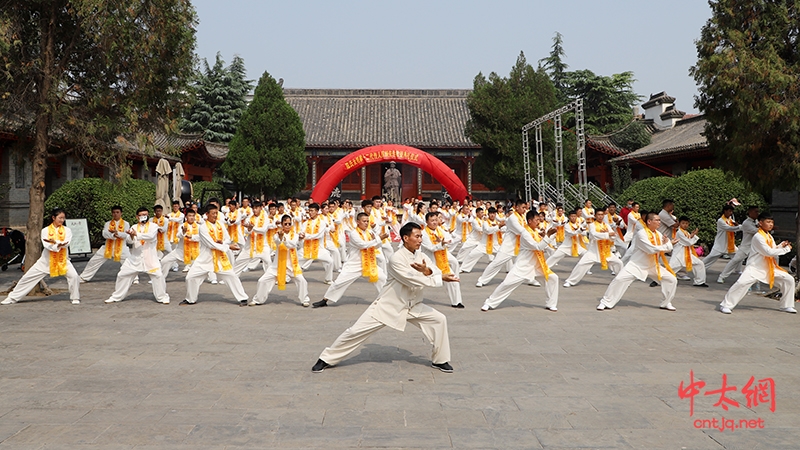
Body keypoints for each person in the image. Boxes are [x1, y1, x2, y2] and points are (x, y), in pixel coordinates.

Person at [311, 222, 459, 374]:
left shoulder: (422, 256)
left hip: (413, 305)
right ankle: (326, 359)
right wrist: (438, 277)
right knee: (355, 332)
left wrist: (428, 270)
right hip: (388, 306)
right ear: (406, 238)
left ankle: (440, 360)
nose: (420, 240)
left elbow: (432, 270)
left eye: (421, 236)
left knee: (439, 319)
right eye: (417, 236)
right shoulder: (396, 258)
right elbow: (412, 279)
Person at [596, 212, 678, 311]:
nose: (659, 222)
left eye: (659, 220)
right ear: (649, 221)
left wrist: (668, 243)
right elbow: (651, 249)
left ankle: (666, 303)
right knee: (619, 280)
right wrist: (668, 244)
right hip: (636, 265)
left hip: (652, 265)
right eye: (657, 220)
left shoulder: (658, 234)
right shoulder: (642, 233)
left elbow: (664, 249)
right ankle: (605, 302)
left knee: (671, 280)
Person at [480, 210, 559, 312]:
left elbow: (543, 245)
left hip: (536, 265)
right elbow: (538, 247)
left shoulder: (535, 231)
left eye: (539, 220)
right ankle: (489, 302)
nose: (538, 222)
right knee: (507, 284)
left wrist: (545, 236)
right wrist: (547, 237)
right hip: (523, 265)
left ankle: (551, 304)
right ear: (529, 221)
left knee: (553, 278)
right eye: (536, 220)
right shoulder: (525, 233)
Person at [720, 213, 796, 314]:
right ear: (760, 223)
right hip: (755, 267)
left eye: (772, 222)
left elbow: (772, 249)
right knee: (741, 283)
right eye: (768, 222)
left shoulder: (768, 236)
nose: (770, 224)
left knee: (789, 280)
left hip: (768, 268)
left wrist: (781, 246)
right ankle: (726, 305)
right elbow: (768, 252)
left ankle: (786, 305)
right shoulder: (758, 236)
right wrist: (786, 249)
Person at [2, 208, 80, 305]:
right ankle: (12, 298)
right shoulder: (45, 230)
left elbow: (66, 243)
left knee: (74, 276)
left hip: (62, 260)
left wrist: (57, 243)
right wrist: (58, 244)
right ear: (53, 218)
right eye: (60, 218)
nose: (62, 220)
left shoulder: (67, 230)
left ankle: (75, 297)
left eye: (63, 218)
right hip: (46, 261)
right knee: (28, 278)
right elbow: (47, 245)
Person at [312, 212, 388, 308]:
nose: (366, 223)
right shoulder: (354, 233)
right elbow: (363, 245)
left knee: (382, 278)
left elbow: (376, 246)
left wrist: (378, 240)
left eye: (367, 221)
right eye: (364, 221)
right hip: (354, 264)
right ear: (357, 222)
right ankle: (325, 300)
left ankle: (386, 300)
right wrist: (378, 239)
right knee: (339, 282)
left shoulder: (370, 232)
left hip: (369, 263)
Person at [181, 203, 249, 306]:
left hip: (219, 258)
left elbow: (227, 238)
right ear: (207, 214)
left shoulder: (220, 225)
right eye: (213, 213)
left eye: (216, 213)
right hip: (205, 258)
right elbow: (210, 244)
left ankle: (243, 298)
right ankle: (190, 299)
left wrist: (223, 242)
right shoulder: (203, 228)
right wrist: (228, 247)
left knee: (231, 276)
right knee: (190, 277)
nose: (215, 215)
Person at [104, 207, 170, 304]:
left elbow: (151, 237)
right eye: (141, 215)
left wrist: (136, 234)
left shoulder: (153, 226)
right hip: (135, 258)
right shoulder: (134, 227)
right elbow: (130, 241)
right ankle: (116, 296)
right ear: (137, 217)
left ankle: (162, 297)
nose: (144, 217)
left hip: (150, 258)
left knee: (158, 276)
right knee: (122, 274)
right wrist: (131, 235)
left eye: (146, 215)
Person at [250, 214, 309, 307]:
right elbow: (278, 242)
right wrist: (281, 237)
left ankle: (304, 299)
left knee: (302, 281)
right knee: (262, 281)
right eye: (285, 224)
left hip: (291, 265)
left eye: (289, 223)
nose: (288, 226)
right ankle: (258, 299)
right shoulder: (276, 235)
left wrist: (289, 239)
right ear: (281, 224)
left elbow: (292, 244)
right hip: (277, 265)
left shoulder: (295, 235)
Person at [476, 199, 531, 287]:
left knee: (527, 262)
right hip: (509, 246)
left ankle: (530, 279)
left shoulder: (523, 216)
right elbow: (521, 231)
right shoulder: (513, 218)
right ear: (517, 207)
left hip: (521, 245)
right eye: (523, 207)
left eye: (525, 207)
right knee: (496, 263)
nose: (525, 209)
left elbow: (528, 228)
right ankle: (482, 280)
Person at [563, 210, 623, 287]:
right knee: (581, 264)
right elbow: (595, 235)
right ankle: (570, 281)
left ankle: (621, 281)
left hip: (606, 252)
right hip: (593, 251)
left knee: (619, 263)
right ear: (595, 216)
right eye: (598, 215)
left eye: (602, 215)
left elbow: (613, 236)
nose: (600, 216)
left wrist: (610, 236)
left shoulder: (607, 225)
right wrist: (607, 234)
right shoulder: (592, 225)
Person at [421, 212, 464, 308]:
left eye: (436, 220)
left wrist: (443, 243)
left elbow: (449, 241)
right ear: (427, 222)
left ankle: (457, 302)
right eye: (432, 221)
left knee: (452, 277)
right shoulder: (423, 234)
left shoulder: (440, 230)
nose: (434, 222)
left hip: (442, 258)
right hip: (430, 261)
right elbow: (431, 248)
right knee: (419, 283)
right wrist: (442, 243)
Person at [79, 205, 131, 282]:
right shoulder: (108, 224)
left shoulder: (126, 224)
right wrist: (113, 235)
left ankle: (134, 278)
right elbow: (104, 234)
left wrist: (118, 233)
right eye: (114, 212)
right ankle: (84, 277)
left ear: (121, 213)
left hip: (121, 247)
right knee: (94, 260)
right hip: (108, 247)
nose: (115, 214)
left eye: (117, 212)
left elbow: (126, 235)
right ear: (111, 213)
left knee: (129, 262)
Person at [718, 206, 760, 283]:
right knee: (735, 260)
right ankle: (722, 276)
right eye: (755, 212)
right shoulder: (746, 223)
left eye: (758, 211)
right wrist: (765, 227)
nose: (757, 213)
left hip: (755, 247)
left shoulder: (756, 221)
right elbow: (756, 231)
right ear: (750, 213)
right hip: (746, 246)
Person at [233, 200, 273, 275]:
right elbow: (246, 231)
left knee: (268, 262)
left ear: (261, 208)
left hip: (263, 247)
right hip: (250, 247)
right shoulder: (249, 218)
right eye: (253, 208)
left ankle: (270, 278)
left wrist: (252, 228)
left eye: (256, 208)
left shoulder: (266, 219)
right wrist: (249, 229)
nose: (255, 210)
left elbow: (263, 230)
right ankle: (232, 277)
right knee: (238, 261)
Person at [298, 203, 334, 284]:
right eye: (309, 211)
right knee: (294, 261)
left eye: (312, 211)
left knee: (330, 261)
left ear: (317, 211)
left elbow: (319, 235)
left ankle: (328, 279)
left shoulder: (322, 223)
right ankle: (286, 278)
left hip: (319, 248)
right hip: (306, 248)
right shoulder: (305, 223)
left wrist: (306, 236)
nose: (310, 212)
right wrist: (301, 236)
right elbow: (301, 232)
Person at [668, 216, 708, 287]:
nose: (685, 225)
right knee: (671, 269)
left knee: (699, 264)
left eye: (687, 223)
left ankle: (699, 282)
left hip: (687, 254)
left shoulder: (685, 232)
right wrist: (695, 236)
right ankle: (657, 280)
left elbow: (688, 238)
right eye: (683, 223)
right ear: (679, 223)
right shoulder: (679, 232)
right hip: (679, 255)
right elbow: (688, 242)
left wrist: (692, 235)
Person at [703, 204, 741, 271]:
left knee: (739, 256)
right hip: (720, 244)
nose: (731, 213)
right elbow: (729, 228)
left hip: (730, 245)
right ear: (725, 211)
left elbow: (734, 226)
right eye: (729, 211)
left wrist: (738, 225)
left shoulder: (730, 219)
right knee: (711, 257)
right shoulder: (720, 221)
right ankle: (700, 267)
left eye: (731, 211)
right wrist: (741, 227)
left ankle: (738, 270)